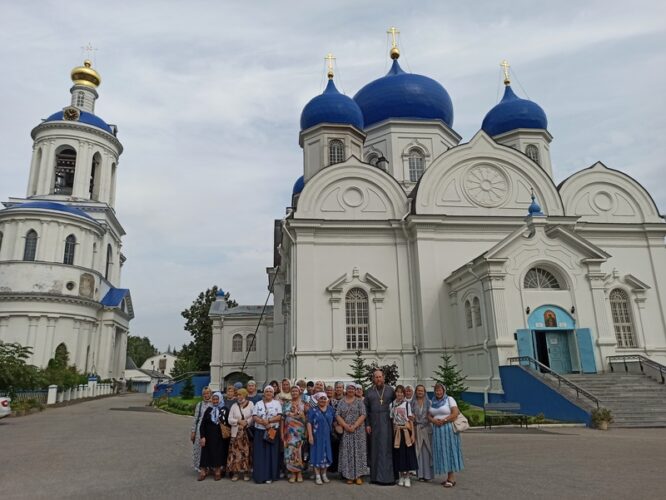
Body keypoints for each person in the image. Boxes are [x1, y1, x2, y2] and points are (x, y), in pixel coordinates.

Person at [429, 383, 464, 488]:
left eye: (440, 390)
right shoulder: (433, 401)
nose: (438, 392)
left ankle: (451, 478)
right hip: (437, 430)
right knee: (441, 452)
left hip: (448, 429)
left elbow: (455, 413)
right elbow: (429, 415)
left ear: (443, 391)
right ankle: (448, 477)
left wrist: (444, 420)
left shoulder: (450, 399)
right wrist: (434, 421)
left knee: (449, 451)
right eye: (436, 390)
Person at [365, 369, 396, 485]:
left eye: (380, 377)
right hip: (373, 423)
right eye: (376, 377)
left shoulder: (390, 390)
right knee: (374, 449)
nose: (378, 379)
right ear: (373, 379)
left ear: (384, 378)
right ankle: (374, 477)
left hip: (387, 422)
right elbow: (366, 409)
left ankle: (388, 477)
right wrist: (367, 424)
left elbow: (396, 405)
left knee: (386, 449)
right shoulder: (369, 391)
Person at [336, 383, 368, 485]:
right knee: (347, 453)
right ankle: (349, 476)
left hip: (358, 431)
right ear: (346, 390)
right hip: (346, 431)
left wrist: (355, 426)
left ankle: (358, 476)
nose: (351, 390)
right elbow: (337, 415)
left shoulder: (359, 402)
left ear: (355, 390)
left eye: (352, 389)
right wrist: (345, 425)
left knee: (359, 453)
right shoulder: (341, 402)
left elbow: (363, 414)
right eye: (349, 389)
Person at [252, 385, 283, 484]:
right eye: (267, 391)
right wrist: (262, 422)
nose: (268, 393)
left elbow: (279, 417)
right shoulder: (258, 404)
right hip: (260, 431)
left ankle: (270, 476)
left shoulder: (277, 403)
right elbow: (254, 416)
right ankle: (260, 476)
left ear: (273, 394)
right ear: (264, 393)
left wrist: (269, 420)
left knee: (271, 455)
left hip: (272, 431)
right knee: (260, 455)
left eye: (270, 391)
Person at [390, 385, 418, 487]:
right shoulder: (392, 405)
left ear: (404, 394)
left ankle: (407, 476)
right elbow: (392, 420)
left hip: (406, 431)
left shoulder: (407, 404)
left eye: (401, 392)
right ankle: (401, 475)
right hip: (397, 432)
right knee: (399, 454)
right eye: (398, 392)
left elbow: (410, 420)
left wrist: (413, 435)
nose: (399, 394)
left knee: (407, 454)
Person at [198, 392, 229, 481]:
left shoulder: (225, 409)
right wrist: (202, 436)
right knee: (205, 454)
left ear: (220, 399)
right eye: (214, 399)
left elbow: (228, 423)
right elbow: (202, 424)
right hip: (208, 437)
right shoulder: (209, 410)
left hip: (220, 437)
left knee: (218, 453)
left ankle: (217, 472)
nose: (215, 401)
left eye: (217, 399)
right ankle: (203, 472)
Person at [307, 392, 335, 485]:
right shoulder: (312, 410)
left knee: (326, 455)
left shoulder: (331, 409)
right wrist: (310, 435)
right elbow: (309, 423)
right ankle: (317, 475)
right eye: (321, 398)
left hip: (327, 436)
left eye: (324, 398)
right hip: (316, 436)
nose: (323, 400)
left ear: (327, 400)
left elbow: (335, 421)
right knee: (316, 454)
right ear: (317, 400)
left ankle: (324, 474)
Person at [227, 388, 254, 481]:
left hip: (246, 433)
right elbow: (229, 419)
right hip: (235, 433)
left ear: (245, 395)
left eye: (241, 395)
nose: (239, 397)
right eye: (237, 395)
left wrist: (246, 423)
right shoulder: (234, 406)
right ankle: (236, 472)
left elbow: (253, 416)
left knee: (246, 453)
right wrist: (238, 421)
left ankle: (246, 472)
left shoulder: (251, 404)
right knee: (235, 453)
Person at [282, 385, 307, 483]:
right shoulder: (286, 403)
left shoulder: (304, 404)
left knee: (299, 453)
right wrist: (281, 433)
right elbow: (283, 419)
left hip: (300, 433)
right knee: (290, 453)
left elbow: (307, 419)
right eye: (292, 391)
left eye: (296, 391)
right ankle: (292, 473)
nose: (294, 393)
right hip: (289, 433)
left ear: (299, 392)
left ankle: (299, 473)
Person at [411, 384, 433, 481]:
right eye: (418, 390)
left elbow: (432, 415)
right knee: (418, 452)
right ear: (416, 392)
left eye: (422, 391)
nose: (420, 392)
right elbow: (410, 415)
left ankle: (428, 475)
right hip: (417, 428)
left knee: (427, 451)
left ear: (424, 392)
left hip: (427, 429)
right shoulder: (413, 403)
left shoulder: (429, 402)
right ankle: (420, 475)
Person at [191, 386, 213, 474]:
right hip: (200, 428)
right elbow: (196, 419)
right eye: (204, 393)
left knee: (210, 447)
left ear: (211, 394)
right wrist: (193, 431)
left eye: (208, 393)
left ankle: (210, 466)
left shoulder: (214, 403)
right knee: (199, 447)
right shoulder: (199, 404)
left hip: (211, 429)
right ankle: (200, 466)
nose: (206, 395)